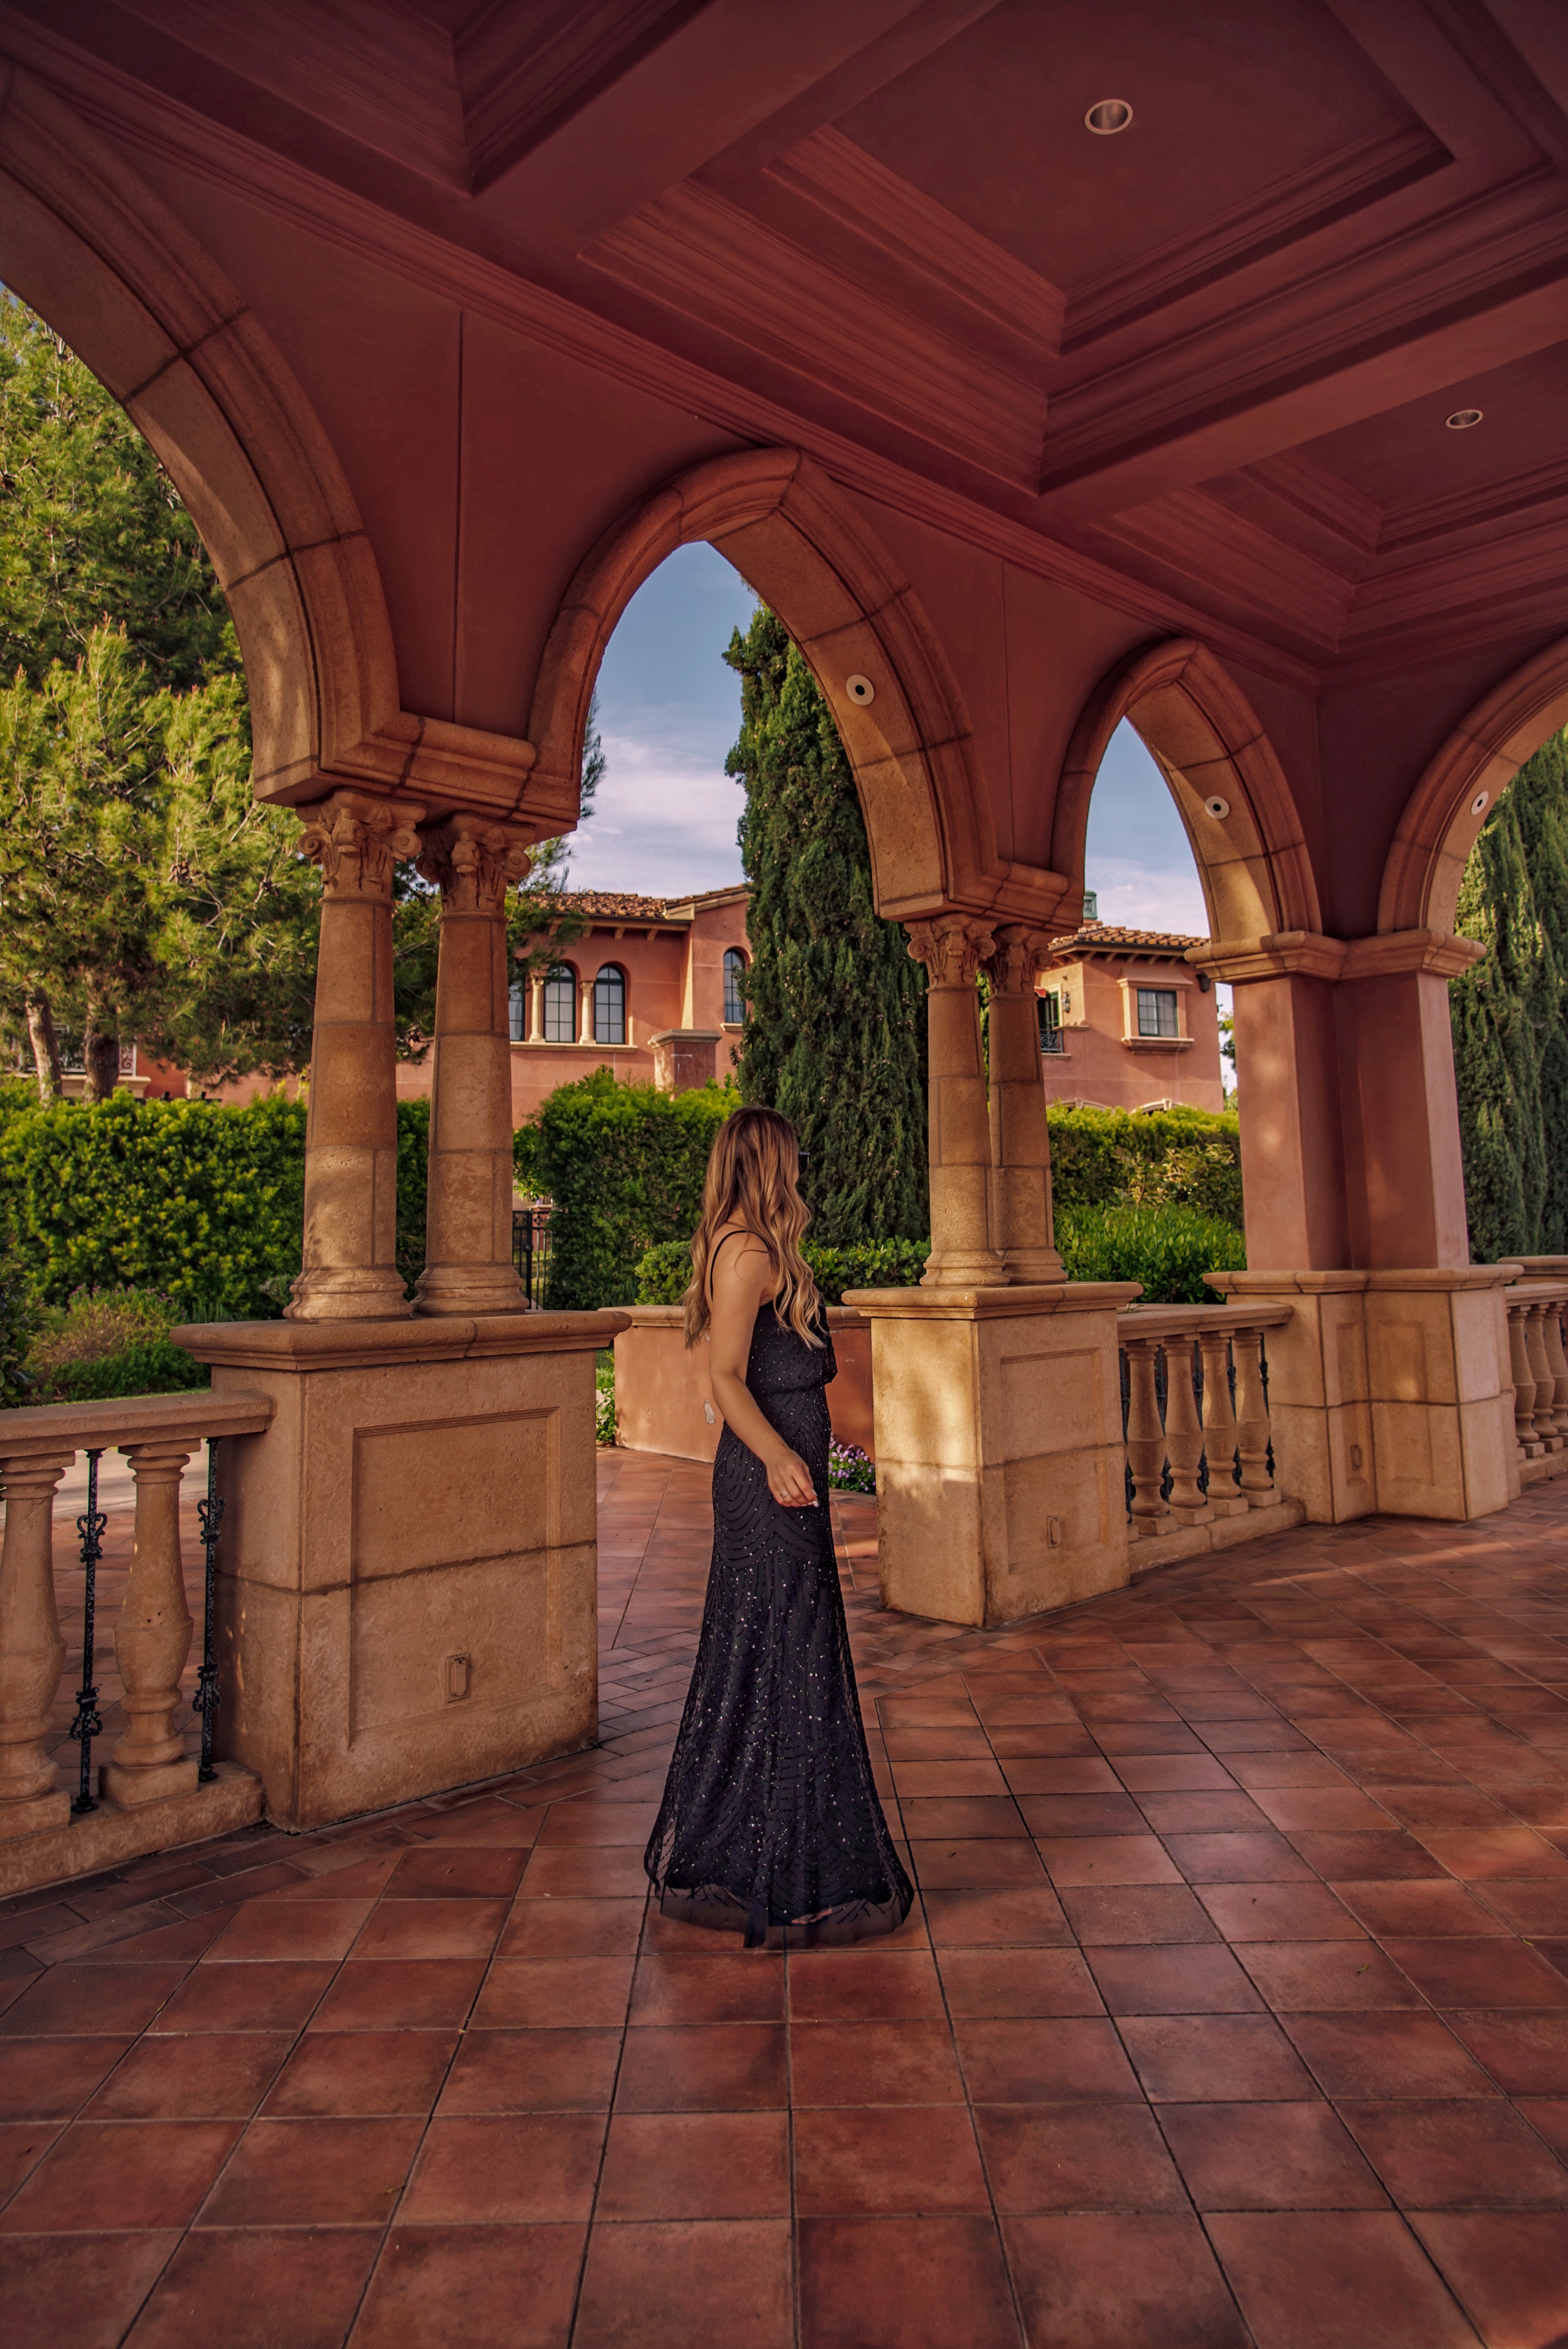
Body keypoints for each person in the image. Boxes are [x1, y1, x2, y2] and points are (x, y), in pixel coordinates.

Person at [644, 1103, 914, 1949]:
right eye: (790, 1158)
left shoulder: (758, 1249)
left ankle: (772, 1850)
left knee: (777, 1656)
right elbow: (723, 1378)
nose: (799, 1170)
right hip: (768, 1487)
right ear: (768, 1162)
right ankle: (775, 1859)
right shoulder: (747, 1254)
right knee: (783, 1658)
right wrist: (776, 1457)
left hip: (783, 1477)